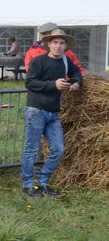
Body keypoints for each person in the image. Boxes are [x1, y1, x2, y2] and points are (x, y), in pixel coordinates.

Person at [21, 28, 82, 197]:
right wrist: (53, 85)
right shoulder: (39, 61)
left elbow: (76, 71)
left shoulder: (65, 60)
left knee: (58, 149)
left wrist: (77, 82)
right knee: (32, 149)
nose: (58, 46)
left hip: (53, 112)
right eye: (55, 42)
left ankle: (43, 182)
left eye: (62, 43)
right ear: (48, 44)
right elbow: (29, 83)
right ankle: (27, 185)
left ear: (66, 46)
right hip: (36, 110)